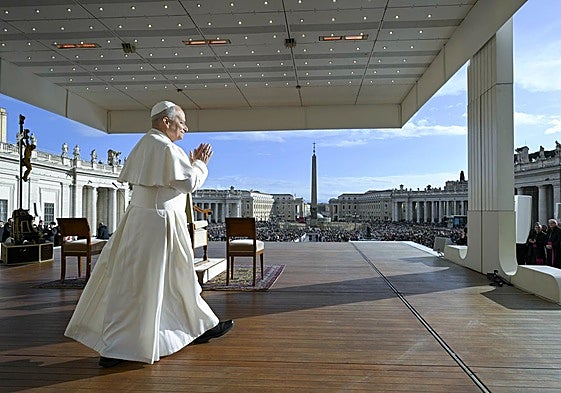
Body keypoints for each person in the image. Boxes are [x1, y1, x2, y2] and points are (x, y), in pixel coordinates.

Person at [64, 101, 233, 368]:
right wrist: (199, 165)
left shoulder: (147, 144)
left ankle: (197, 327)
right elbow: (188, 183)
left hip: (142, 222)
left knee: (155, 282)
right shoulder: (165, 147)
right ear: (166, 122)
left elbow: (168, 180)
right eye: (182, 122)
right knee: (160, 283)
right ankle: (119, 347)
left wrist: (186, 163)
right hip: (159, 225)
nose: (185, 128)